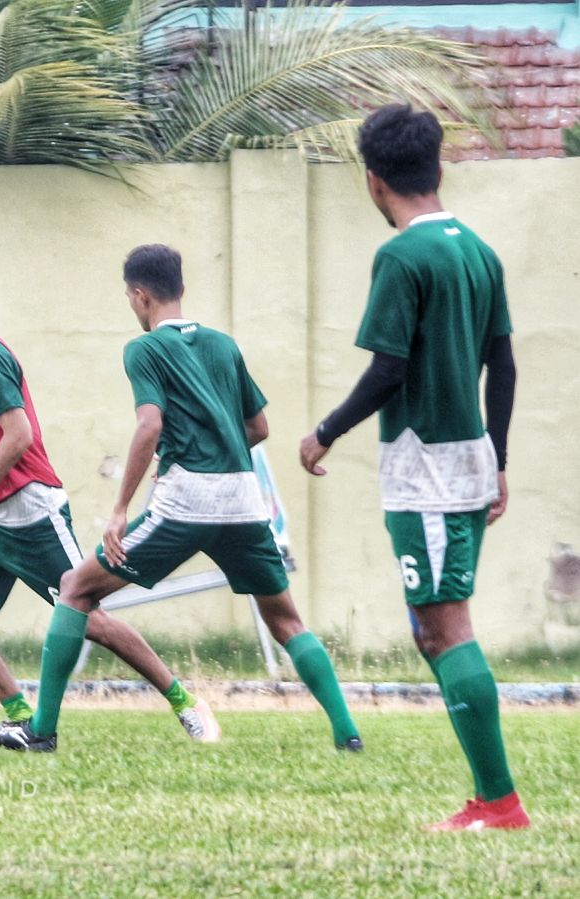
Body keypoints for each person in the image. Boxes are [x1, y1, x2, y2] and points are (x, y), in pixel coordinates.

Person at [0, 245, 361, 754]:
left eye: (128, 297)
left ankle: (41, 730)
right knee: (286, 620)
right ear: (180, 287)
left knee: (75, 589)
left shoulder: (143, 349)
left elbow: (149, 424)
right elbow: (258, 427)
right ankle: (347, 734)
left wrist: (120, 509)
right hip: (245, 501)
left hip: (186, 503)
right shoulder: (224, 346)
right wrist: (214, 450)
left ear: (140, 296)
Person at [298, 105, 527, 831]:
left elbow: (388, 370)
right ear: (437, 166)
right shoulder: (478, 251)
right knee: (433, 627)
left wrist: (325, 431)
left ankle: (500, 801)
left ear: (373, 181)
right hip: (467, 457)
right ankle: (487, 797)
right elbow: (505, 364)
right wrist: (498, 458)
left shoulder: (402, 255)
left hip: (424, 465)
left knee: (446, 625)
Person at [0, 254, 219, 748]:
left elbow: (18, 435)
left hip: (33, 512)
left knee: (92, 620)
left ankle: (185, 703)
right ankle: (21, 712)